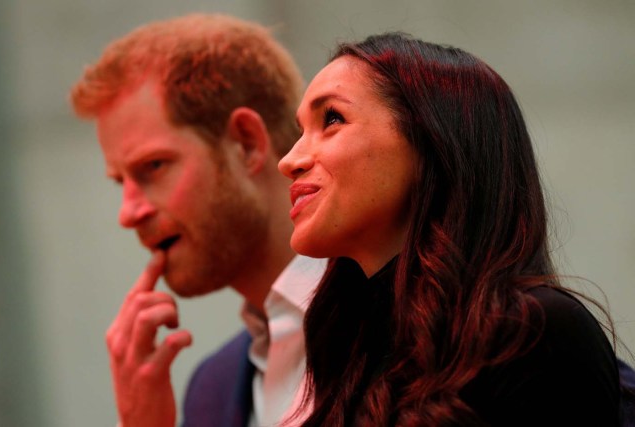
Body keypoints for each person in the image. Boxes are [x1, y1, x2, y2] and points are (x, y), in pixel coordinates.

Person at [278, 32, 627, 426]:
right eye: (299, 131)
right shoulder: (346, 345)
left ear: (431, 141)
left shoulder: (533, 331)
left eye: (332, 119)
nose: (290, 160)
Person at [69, 14, 326, 427]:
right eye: (121, 182)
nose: (128, 213)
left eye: (153, 166)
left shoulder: (424, 315)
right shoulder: (210, 390)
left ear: (246, 143)